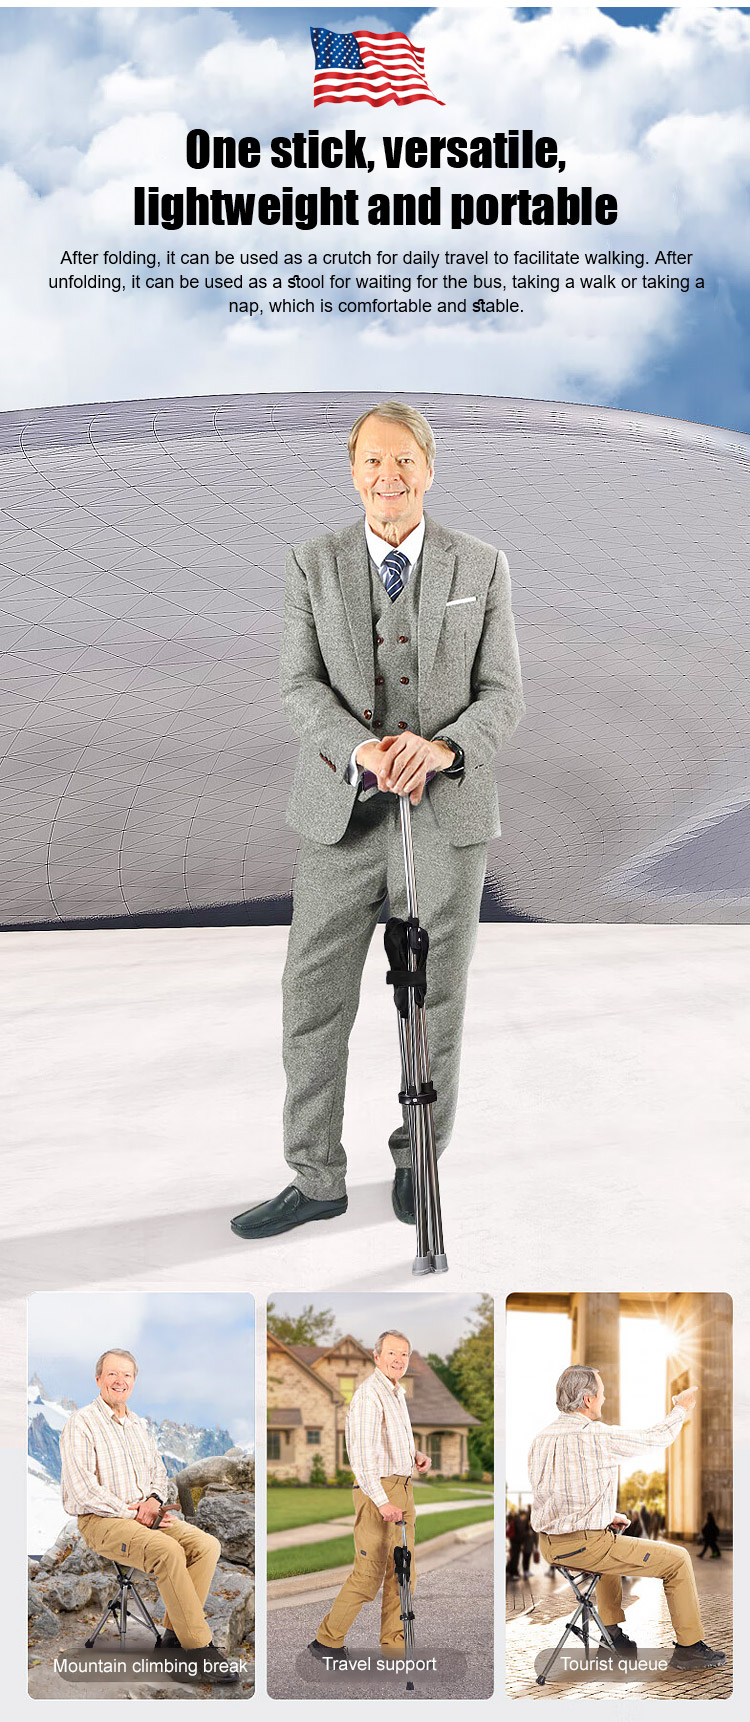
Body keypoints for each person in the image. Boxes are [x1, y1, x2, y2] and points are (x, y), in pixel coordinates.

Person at [231, 400, 524, 1240]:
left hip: (447, 816)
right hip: (342, 815)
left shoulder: (482, 565)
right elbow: (299, 685)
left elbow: (504, 694)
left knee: (435, 1001)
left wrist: (442, 749)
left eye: (403, 461)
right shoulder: (311, 563)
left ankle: (416, 1160)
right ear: (353, 471)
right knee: (312, 996)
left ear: (429, 469)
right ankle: (315, 1177)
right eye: (372, 461)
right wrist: (363, 750)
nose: (387, 476)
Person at [527, 1365, 726, 1674]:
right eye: (602, 1394)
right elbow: (656, 1438)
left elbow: (555, 1495)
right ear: (588, 1400)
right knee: (678, 1560)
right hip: (587, 1546)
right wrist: (681, 1408)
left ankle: (612, 1641)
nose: (604, 1399)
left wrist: (605, 1516)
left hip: (551, 1547)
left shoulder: (540, 1439)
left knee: (610, 1553)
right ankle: (689, 1649)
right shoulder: (596, 1436)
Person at [59, 1348, 238, 1688]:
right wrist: (134, 1512)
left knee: (206, 1545)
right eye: (112, 1374)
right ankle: (199, 1649)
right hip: (103, 1520)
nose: (120, 1381)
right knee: (167, 1551)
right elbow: (83, 1491)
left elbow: (159, 1472)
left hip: (146, 1515)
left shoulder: (138, 1425)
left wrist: (154, 1501)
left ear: (134, 1381)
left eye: (126, 1375)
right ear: (98, 1379)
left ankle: (172, 1641)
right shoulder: (81, 1423)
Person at [306, 1330, 431, 1657]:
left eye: (404, 1354)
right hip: (379, 1491)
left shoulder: (396, 1393)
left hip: (402, 1488)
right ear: (377, 1357)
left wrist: (415, 1455)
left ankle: (395, 1647)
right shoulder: (368, 1395)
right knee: (369, 1574)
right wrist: (382, 1501)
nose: (399, 1360)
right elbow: (362, 1457)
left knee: (403, 1574)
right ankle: (326, 1642)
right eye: (392, 1353)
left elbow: (388, 1442)